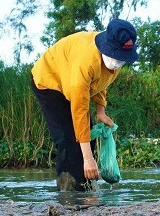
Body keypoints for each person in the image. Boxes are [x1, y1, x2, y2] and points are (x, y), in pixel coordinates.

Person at [31, 18, 138, 191]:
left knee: (88, 137)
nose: (118, 62)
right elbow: (79, 110)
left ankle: (85, 187)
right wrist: (88, 159)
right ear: (105, 48)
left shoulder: (116, 59)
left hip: (72, 80)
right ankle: (69, 194)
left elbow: (101, 82)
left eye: (122, 57)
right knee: (68, 140)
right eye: (115, 55)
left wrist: (101, 111)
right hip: (50, 80)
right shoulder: (86, 63)